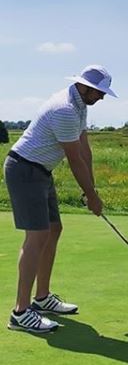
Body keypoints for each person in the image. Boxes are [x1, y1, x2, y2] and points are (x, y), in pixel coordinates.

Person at [3, 65, 117, 334]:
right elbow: (74, 159)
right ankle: (20, 312)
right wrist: (91, 196)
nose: (101, 98)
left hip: (41, 171)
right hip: (24, 169)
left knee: (54, 229)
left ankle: (41, 298)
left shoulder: (80, 107)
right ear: (85, 87)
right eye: (99, 92)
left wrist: (93, 191)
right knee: (37, 237)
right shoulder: (65, 109)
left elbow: (85, 152)